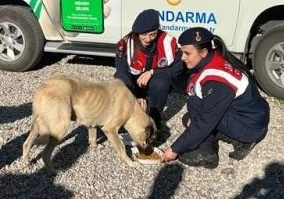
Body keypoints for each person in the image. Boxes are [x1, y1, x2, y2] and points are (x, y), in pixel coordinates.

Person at [160, 27, 270, 168]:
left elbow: (205, 121)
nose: (182, 57)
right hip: (250, 115)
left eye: (187, 53)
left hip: (250, 126)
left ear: (203, 52)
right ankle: (223, 138)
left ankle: (209, 154)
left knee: (196, 106)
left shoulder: (217, 81)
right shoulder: (214, 57)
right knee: (188, 118)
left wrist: (175, 149)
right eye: (182, 52)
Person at [114, 9, 182, 140]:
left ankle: (155, 121)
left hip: (154, 83)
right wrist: (133, 97)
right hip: (133, 83)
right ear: (137, 32)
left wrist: (152, 72)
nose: (148, 39)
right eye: (144, 34)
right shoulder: (125, 44)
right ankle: (128, 120)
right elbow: (121, 72)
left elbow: (178, 68)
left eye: (153, 34)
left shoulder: (168, 42)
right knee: (119, 82)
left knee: (162, 82)